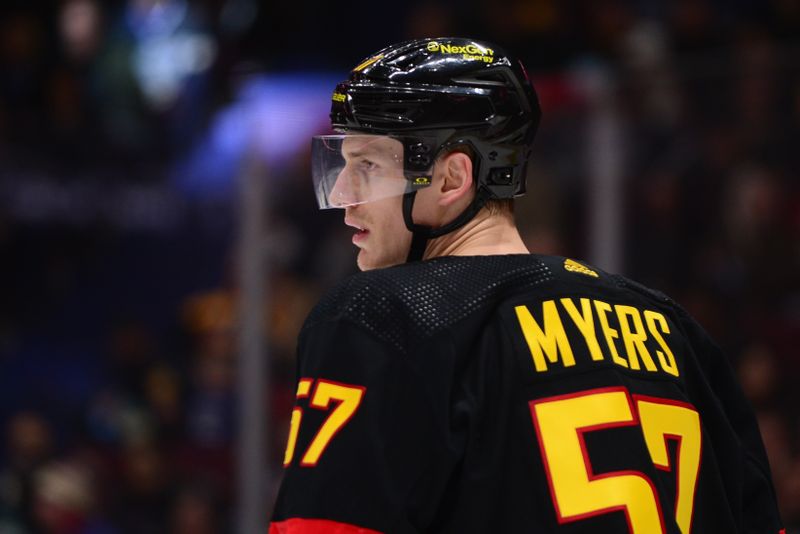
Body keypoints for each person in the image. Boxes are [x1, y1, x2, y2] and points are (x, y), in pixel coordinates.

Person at [269, 37, 784, 533]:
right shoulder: (675, 331)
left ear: (452, 179)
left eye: (367, 165)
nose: (342, 191)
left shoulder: (380, 316)